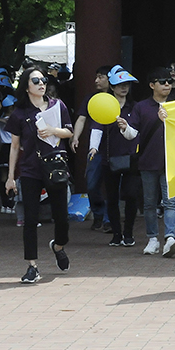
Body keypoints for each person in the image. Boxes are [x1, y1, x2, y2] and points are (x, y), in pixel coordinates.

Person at [5, 66, 73, 284]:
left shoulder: (57, 105)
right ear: (26, 87)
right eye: (36, 81)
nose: (42, 83)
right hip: (31, 169)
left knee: (62, 218)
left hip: (55, 167)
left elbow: (68, 132)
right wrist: (10, 177)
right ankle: (32, 266)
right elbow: (14, 147)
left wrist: (53, 130)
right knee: (30, 219)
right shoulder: (19, 114)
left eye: (43, 79)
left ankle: (58, 245)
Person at [90, 67, 141, 248]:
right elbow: (96, 127)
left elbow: (136, 132)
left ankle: (128, 233)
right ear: (112, 87)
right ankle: (117, 234)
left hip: (131, 157)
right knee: (111, 198)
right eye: (120, 84)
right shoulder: (104, 104)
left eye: (126, 84)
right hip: (109, 158)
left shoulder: (135, 107)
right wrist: (93, 147)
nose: (123, 88)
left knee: (131, 196)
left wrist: (126, 127)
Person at [134, 69, 175, 258]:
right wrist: (124, 128)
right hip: (148, 160)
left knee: (170, 202)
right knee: (149, 203)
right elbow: (133, 133)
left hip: (171, 161)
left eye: (169, 81)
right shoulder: (141, 107)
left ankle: (170, 237)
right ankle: (152, 238)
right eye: (162, 81)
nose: (167, 84)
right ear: (152, 85)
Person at [71, 66, 112, 232]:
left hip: (113, 148)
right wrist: (75, 137)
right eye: (97, 77)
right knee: (92, 184)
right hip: (95, 149)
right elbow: (81, 119)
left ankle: (109, 219)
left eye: (101, 77)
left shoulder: (117, 97)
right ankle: (98, 213)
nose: (96, 80)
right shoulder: (90, 98)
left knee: (112, 185)